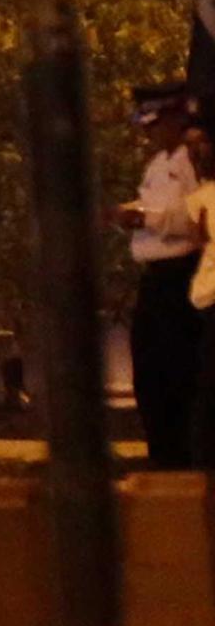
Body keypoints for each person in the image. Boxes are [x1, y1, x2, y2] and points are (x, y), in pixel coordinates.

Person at [117, 84, 202, 468]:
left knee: (176, 374)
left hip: (182, 276)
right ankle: (161, 457)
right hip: (155, 276)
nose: (150, 132)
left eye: (156, 123)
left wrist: (145, 218)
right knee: (150, 374)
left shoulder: (191, 161)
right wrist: (131, 212)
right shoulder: (156, 165)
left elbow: (195, 217)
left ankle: (180, 461)